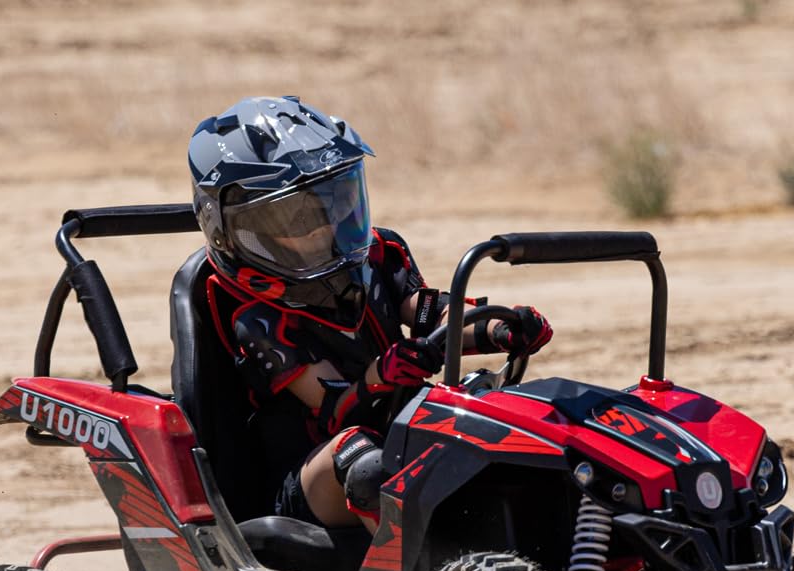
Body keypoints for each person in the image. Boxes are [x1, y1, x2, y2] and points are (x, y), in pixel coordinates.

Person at [188, 96, 553, 532]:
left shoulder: (380, 255)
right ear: (236, 230)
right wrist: (382, 373)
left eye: (332, 201)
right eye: (294, 216)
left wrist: (500, 328)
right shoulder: (258, 319)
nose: (323, 225)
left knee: (509, 420)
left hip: (396, 428)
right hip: (310, 474)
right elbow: (334, 409)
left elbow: (429, 314)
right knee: (365, 461)